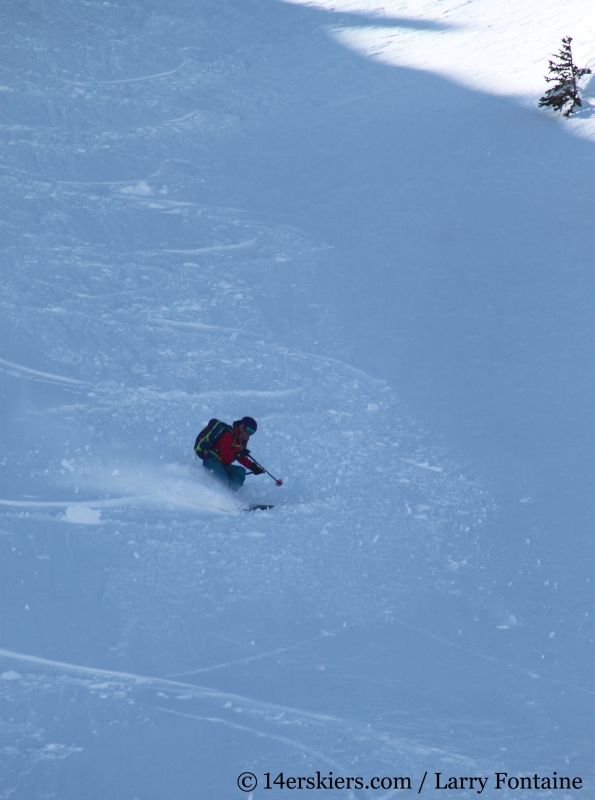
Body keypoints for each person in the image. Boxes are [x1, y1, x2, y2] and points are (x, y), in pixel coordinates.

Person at [202, 416, 264, 491]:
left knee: (241, 471)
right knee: (223, 481)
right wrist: (239, 454)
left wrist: (253, 467)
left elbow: (239, 457)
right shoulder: (229, 435)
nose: (249, 434)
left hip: (223, 465)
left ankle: (230, 493)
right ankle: (221, 494)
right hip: (212, 461)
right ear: (241, 427)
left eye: (252, 432)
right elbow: (226, 453)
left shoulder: (239, 441)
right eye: (248, 430)